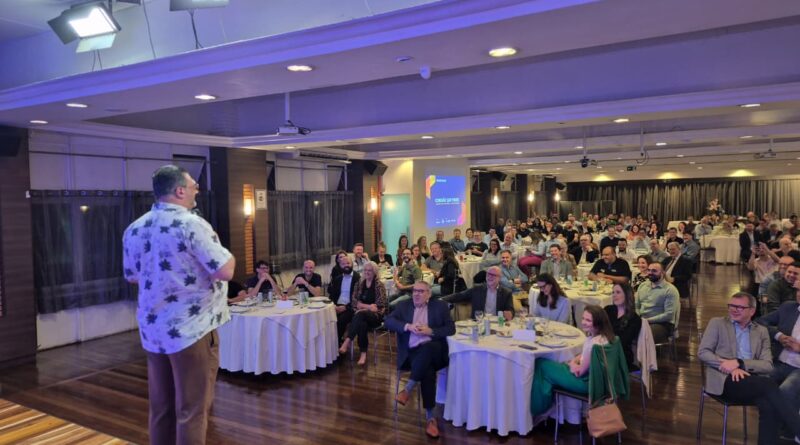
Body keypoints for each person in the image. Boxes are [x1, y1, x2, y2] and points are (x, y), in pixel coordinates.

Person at [123, 164, 235, 445]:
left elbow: (133, 276)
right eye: (194, 185)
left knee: (161, 408)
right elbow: (225, 270)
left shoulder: (135, 228)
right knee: (192, 410)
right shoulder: (191, 224)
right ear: (180, 190)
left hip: (154, 331)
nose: (197, 189)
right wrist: (227, 254)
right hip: (191, 330)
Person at [699, 292, 800, 445]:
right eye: (731, 306)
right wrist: (729, 366)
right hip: (724, 379)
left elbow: (767, 365)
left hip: (751, 381)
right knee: (769, 385)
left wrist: (740, 363)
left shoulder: (761, 331)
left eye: (740, 307)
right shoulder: (717, 323)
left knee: (768, 404)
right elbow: (703, 352)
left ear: (752, 311)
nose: (734, 309)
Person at [386, 281, 455, 439]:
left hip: (436, 353)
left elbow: (451, 329)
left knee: (429, 347)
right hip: (411, 355)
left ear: (429, 294)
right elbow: (388, 321)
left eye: (421, 291)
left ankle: (407, 389)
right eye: (414, 291)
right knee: (427, 371)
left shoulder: (440, 306)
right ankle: (430, 419)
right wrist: (407, 326)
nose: (416, 294)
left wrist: (431, 331)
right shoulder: (403, 306)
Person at [530, 305, 616, 417]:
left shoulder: (593, 345)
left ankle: (538, 409)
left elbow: (578, 372)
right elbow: (584, 356)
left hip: (586, 383)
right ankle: (545, 405)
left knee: (541, 364)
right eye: (583, 318)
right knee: (548, 366)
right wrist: (575, 359)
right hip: (598, 381)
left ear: (598, 322)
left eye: (588, 320)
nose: (583, 322)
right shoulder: (606, 338)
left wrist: (571, 363)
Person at [756, 288, 800, 428]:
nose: (799, 294)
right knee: (756, 382)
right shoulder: (788, 307)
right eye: (799, 290)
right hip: (779, 361)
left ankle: (787, 430)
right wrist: (778, 336)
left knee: (784, 392)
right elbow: (760, 322)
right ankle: (770, 427)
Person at [339, 261, 387, 365]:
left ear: (374, 272)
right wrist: (368, 307)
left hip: (376, 316)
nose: (367, 272)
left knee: (360, 315)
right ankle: (363, 353)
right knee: (362, 323)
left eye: (370, 270)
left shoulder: (379, 285)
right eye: (365, 270)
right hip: (361, 315)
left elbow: (380, 305)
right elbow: (353, 301)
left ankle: (347, 341)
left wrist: (362, 306)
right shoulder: (359, 284)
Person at [442, 266, 513, 320]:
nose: (490, 277)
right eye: (488, 274)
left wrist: (510, 314)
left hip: (497, 323)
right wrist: (441, 300)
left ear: (499, 278)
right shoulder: (477, 289)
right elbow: (459, 295)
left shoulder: (506, 293)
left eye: (493, 275)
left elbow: (510, 310)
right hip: (479, 323)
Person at [635, 262, 680, 343]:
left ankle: (644, 351)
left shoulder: (670, 290)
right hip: (642, 320)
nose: (650, 273)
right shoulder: (643, 286)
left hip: (662, 323)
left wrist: (647, 320)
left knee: (644, 336)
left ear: (663, 273)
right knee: (624, 330)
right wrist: (638, 318)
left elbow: (669, 315)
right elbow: (636, 306)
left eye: (654, 271)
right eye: (649, 270)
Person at [604, 283, 642, 370]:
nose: (614, 295)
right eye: (613, 292)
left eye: (618, 292)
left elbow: (622, 342)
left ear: (627, 294)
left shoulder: (635, 319)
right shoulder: (608, 310)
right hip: (603, 350)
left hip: (621, 356)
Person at [329, 256, 361, 340]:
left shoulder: (358, 278)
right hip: (337, 306)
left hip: (351, 307)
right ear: (340, 265)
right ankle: (330, 343)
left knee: (341, 319)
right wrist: (334, 306)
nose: (346, 265)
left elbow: (359, 298)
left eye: (348, 263)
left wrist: (345, 307)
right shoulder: (337, 279)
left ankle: (337, 343)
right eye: (343, 264)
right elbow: (332, 296)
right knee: (326, 318)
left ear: (352, 264)